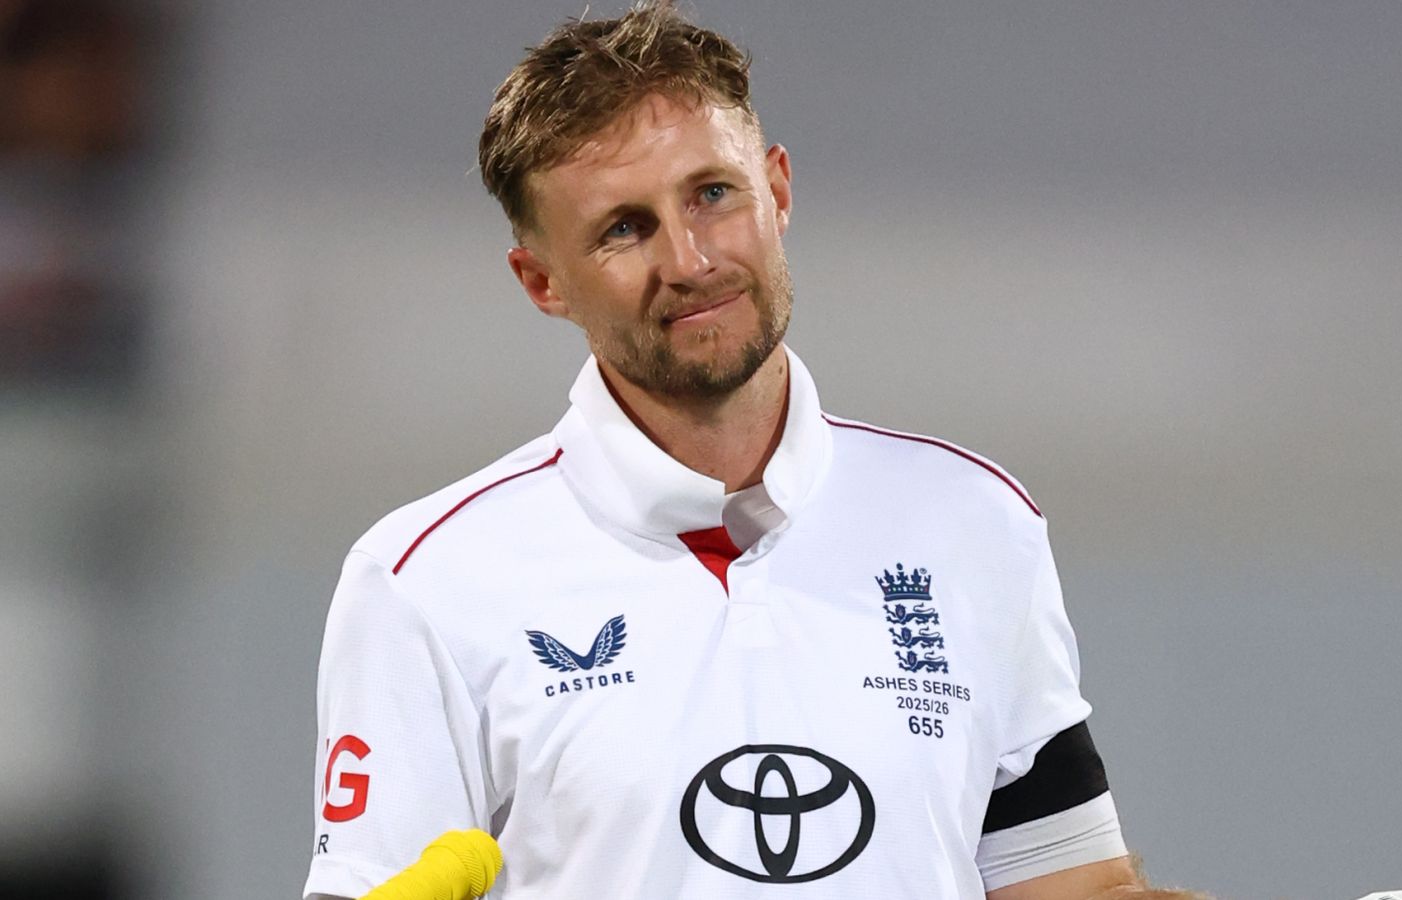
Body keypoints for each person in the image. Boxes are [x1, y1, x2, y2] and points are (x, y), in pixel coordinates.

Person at [304, 3, 1208, 898]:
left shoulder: (974, 520)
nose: (690, 261)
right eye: (624, 228)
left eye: (712, 195)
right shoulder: (423, 582)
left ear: (776, 190)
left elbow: (1072, 887)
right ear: (543, 282)